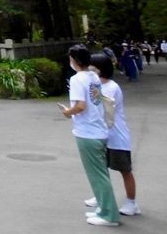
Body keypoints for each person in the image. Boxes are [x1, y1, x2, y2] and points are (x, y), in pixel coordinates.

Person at [57, 44, 119, 227]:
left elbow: (81, 106)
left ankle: (109, 215)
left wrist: (68, 112)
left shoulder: (77, 79)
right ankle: (103, 208)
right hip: (99, 129)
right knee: (99, 173)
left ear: (74, 61)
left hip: (87, 132)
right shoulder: (93, 76)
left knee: (97, 175)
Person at [86, 53, 140, 217]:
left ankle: (132, 203)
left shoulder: (111, 86)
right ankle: (102, 196)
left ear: (99, 69)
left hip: (116, 136)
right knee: (100, 169)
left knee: (124, 170)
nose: (89, 70)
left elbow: (104, 107)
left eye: (92, 67)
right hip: (101, 134)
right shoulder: (95, 84)